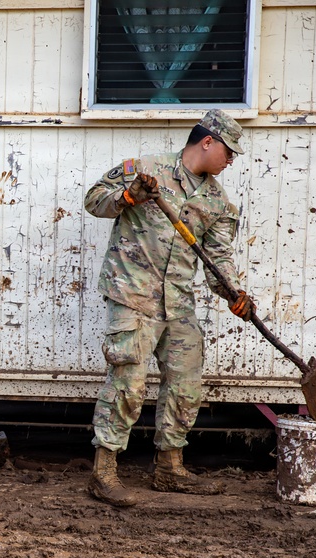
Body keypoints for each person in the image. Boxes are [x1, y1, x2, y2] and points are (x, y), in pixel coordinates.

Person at [83, 109, 256, 507]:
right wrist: (129, 196)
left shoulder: (217, 200)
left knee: (186, 383)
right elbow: (94, 200)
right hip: (133, 296)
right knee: (128, 383)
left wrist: (233, 294)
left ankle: (169, 468)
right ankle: (104, 473)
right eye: (229, 152)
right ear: (208, 141)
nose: (231, 161)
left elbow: (218, 257)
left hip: (177, 302)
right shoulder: (146, 170)